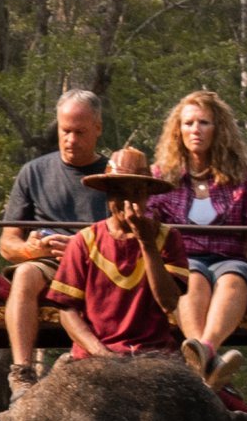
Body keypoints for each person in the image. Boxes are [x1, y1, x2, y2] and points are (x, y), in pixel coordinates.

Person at [147, 89, 247, 390]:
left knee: (233, 278)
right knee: (192, 278)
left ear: (219, 129)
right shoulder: (162, 174)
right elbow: (148, 224)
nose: (195, 130)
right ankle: (209, 365)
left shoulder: (242, 173)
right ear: (178, 129)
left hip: (228, 257)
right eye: (188, 123)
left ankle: (206, 351)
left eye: (204, 122)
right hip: (184, 258)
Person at [0, 90, 111, 389]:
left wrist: (82, 248)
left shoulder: (113, 175)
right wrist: (31, 250)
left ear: (98, 128)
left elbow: (128, 234)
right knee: (23, 276)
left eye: (80, 132)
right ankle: (21, 372)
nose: (71, 140)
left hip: (100, 264)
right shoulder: (33, 172)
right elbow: (7, 244)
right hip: (48, 261)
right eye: (65, 131)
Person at [46, 147, 192, 362]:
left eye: (136, 192)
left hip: (153, 355)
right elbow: (67, 310)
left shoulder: (167, 237)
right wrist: (100, 352)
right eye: (119, 192)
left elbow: (169, 301)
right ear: (108, 195)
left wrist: (146, 243)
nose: (127, 202)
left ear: (147, 195)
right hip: (95, 357)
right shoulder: (85, 241)